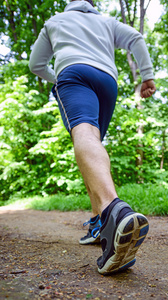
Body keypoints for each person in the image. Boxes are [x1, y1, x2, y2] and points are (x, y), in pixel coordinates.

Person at [29, 0, 156, 275]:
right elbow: (135, 37)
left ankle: (114, 211)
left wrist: (58, 77)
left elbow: (35, 64)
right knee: (93, 143)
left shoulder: (56, 21)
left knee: (83, 134)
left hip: (74, 74)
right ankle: (100, 225)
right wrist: (146, 75)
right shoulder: (106, 22)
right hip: (107, 81)